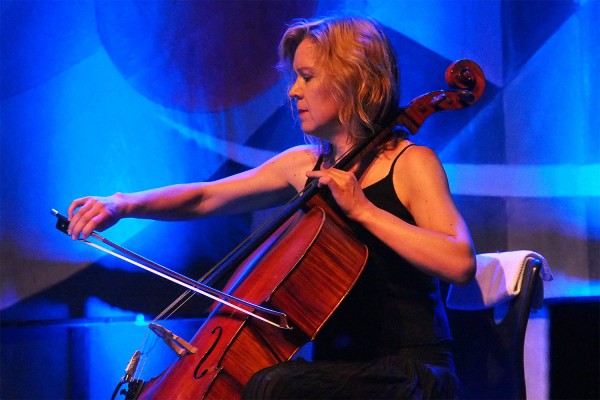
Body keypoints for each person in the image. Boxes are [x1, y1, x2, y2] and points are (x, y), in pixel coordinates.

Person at [67, 16, 476, 399]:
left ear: (353, 80)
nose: (293, 90)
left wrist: (364, 210)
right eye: (295, 77)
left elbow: (459, 262)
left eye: (307, 76)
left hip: (412, 375)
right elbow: (207, 196)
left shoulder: (410, 163)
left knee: (272, 387)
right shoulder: (304, 165)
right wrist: (122, 204)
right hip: (333, 374)